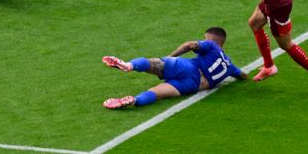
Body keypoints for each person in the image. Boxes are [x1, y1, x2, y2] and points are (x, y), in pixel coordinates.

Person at [102, 27, 247, 109]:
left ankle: (129, 65)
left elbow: (189, 45)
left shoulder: (210, 45)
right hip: (193, 85)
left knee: (153, 64)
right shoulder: (229, 65)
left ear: (210, 39)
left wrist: (171, 57)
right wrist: (248, 76)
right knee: (157, 93)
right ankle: (134, 100)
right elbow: (241, 75)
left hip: (187, 68)